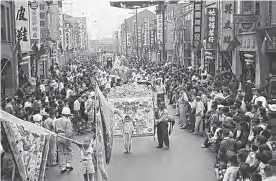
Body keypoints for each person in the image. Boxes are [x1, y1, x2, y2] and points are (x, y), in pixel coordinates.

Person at [54, 106, 74, 173]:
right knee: (70, 150)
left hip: (59, 135)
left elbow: (55, 130)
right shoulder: (68, 121)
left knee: (60, 152)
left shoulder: (57, 120)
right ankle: (68, 164)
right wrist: (69, 139)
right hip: (65, 136)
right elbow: (68, 131)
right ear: (68, 114)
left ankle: (63, 167)